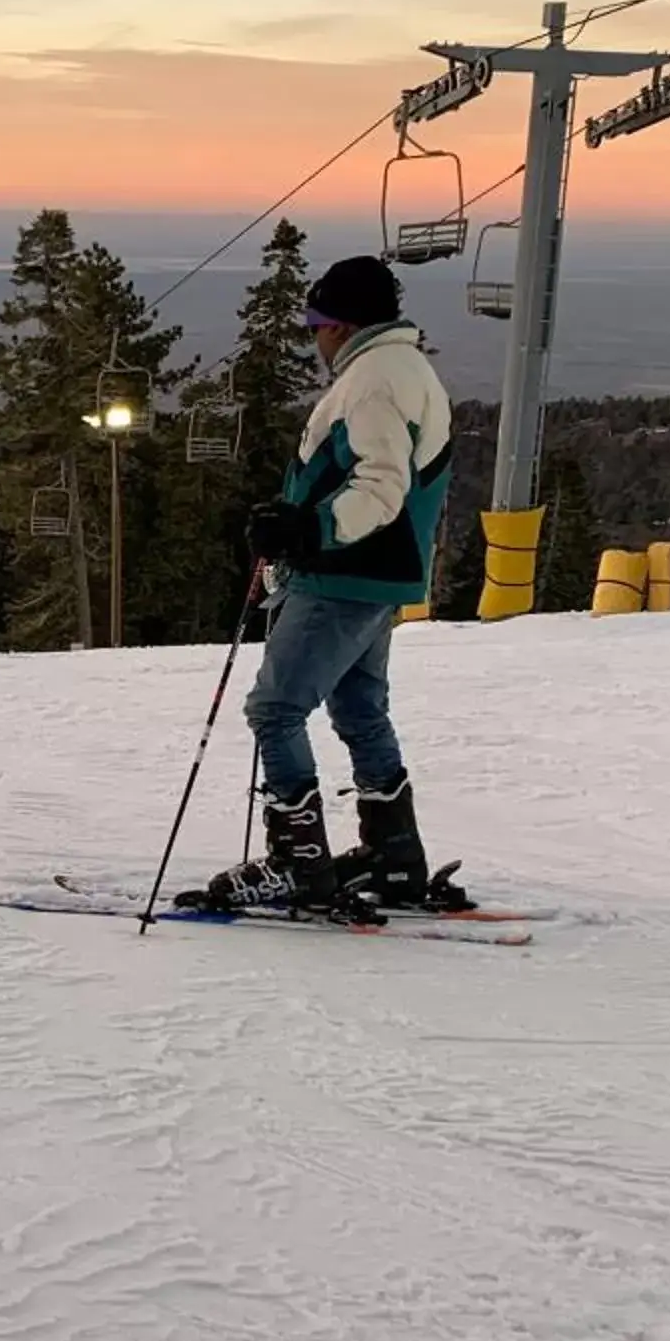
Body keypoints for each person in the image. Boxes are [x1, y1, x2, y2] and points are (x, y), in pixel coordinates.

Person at [191, 255, 460, 914]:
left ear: (342, 324)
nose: (313, 337)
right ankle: (395, 853)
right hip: (377, 576)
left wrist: (306, 534)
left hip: (345, 573)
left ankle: (297, 862)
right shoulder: (404, 368)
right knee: (359, 708)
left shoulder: (372, 383)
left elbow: (380, 487)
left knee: (275, 710)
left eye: (315, 322)